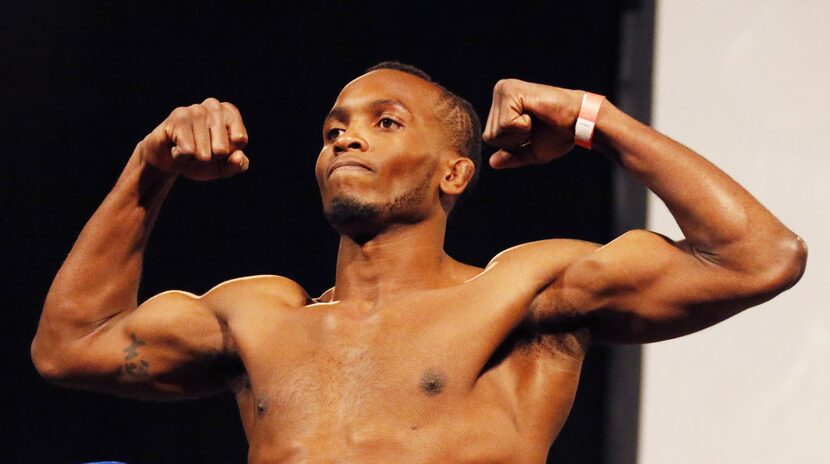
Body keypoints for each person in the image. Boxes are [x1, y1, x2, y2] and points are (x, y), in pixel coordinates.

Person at [31, 61, 807, 463]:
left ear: (453, 173)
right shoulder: (257, 318)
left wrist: (591, 120)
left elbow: (758, 257)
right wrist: (149, 166)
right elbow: (70, 345)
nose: (345, 136)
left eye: (385, 121)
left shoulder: (524, 295)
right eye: (335, 126)